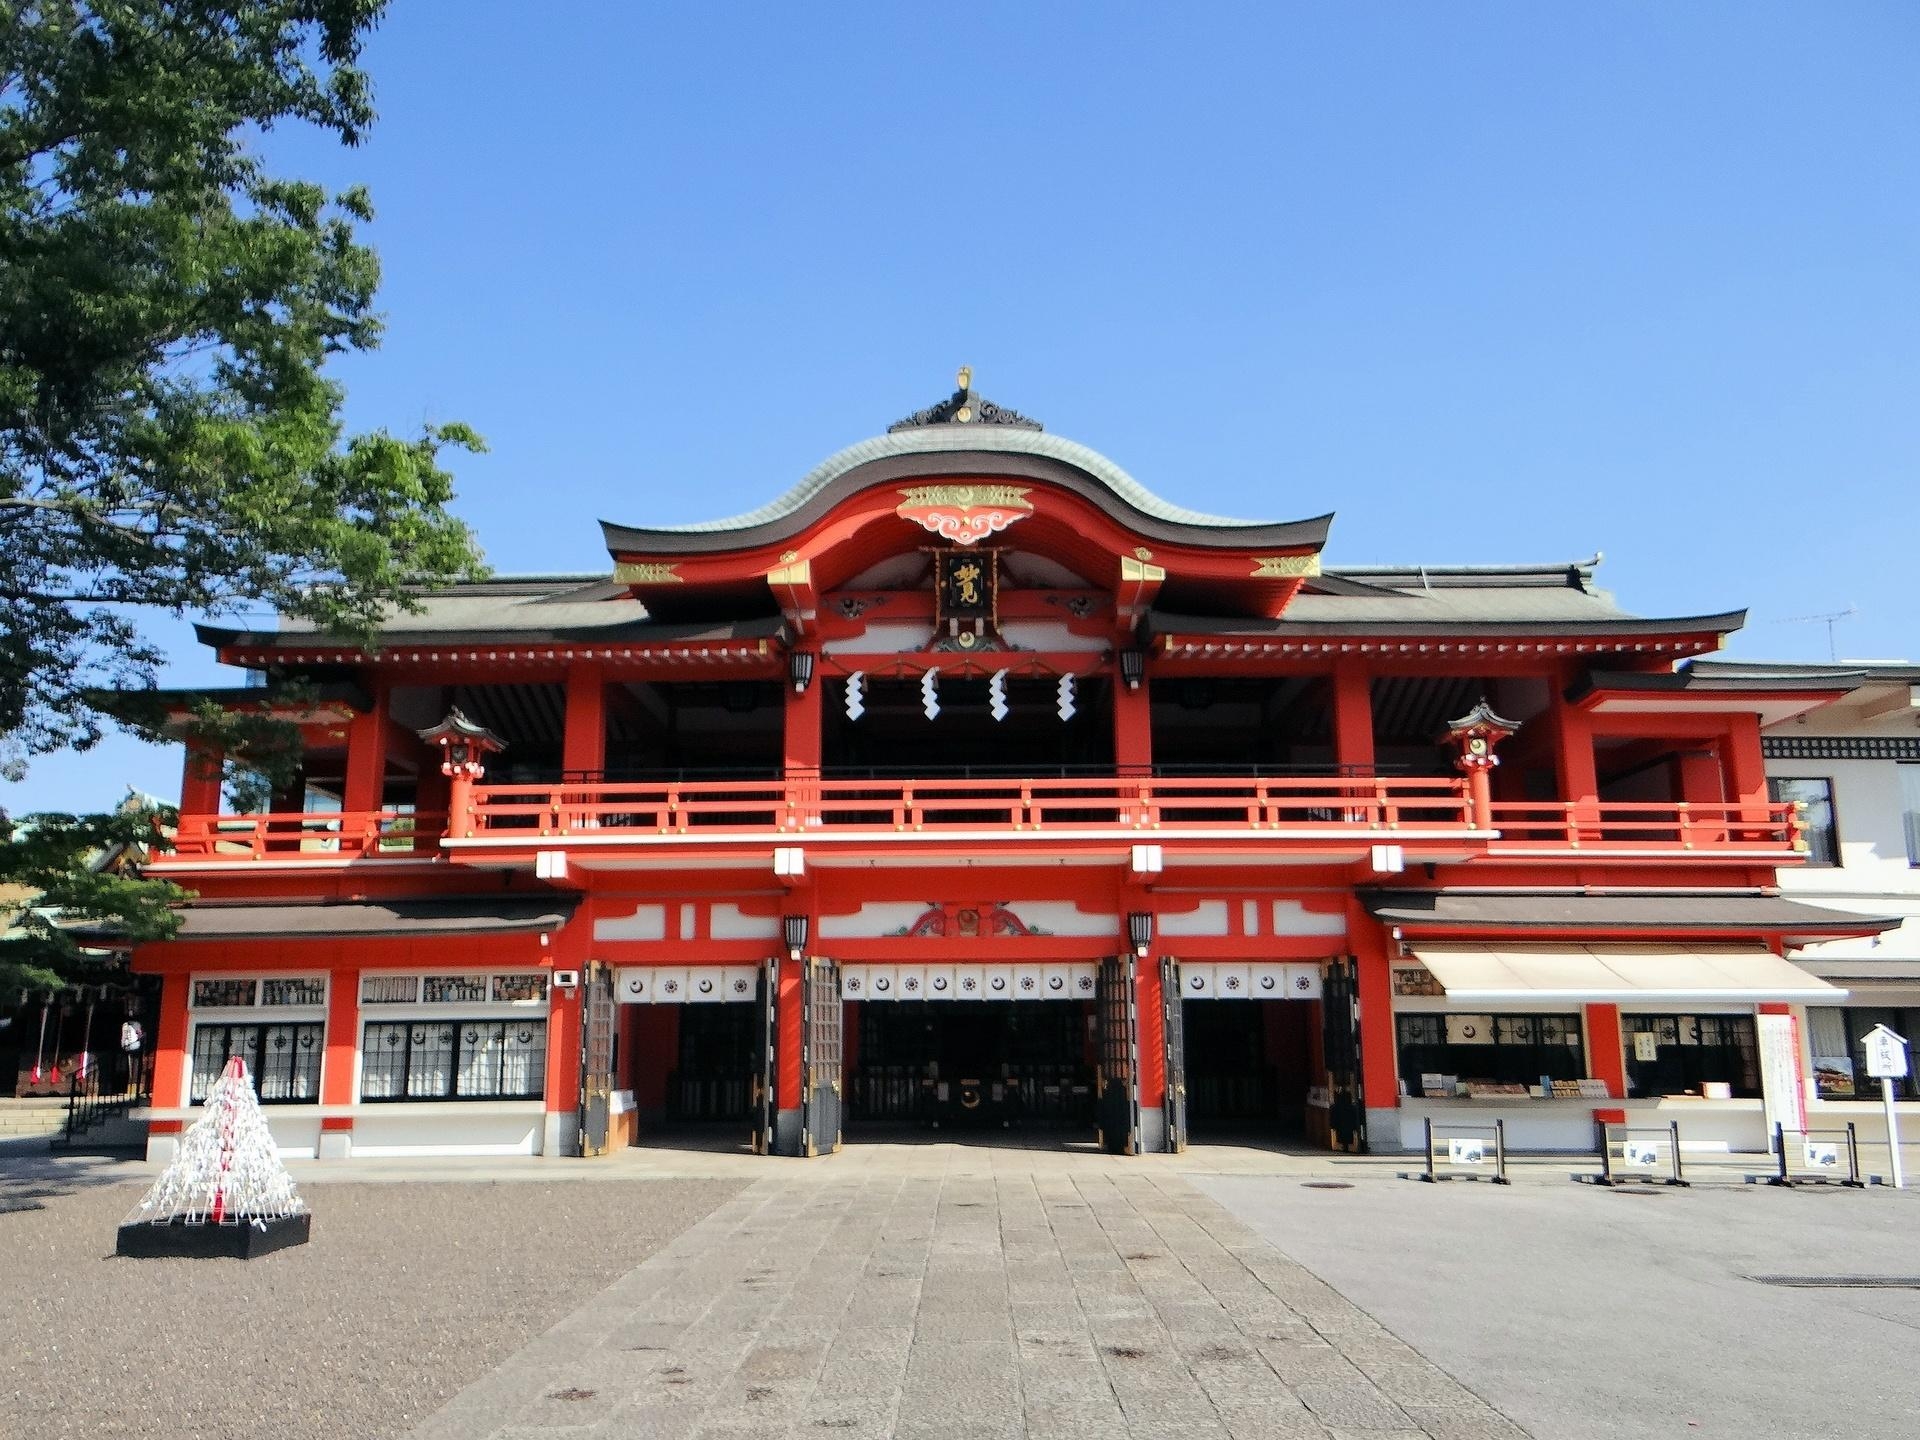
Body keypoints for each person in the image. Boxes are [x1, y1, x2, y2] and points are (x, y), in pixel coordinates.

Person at [120, 1018, 144, 1095]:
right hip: (134, 1044)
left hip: (130, 1045)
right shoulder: (134, 1024)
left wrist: (123, 1045)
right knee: (134, 1065)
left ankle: (132, 1086)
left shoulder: (126, 1025)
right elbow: (139, 1034)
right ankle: (133, 1086)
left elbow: (124, 1037)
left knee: (133, 1065)